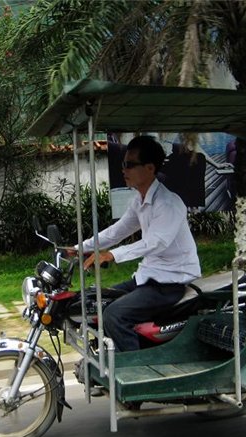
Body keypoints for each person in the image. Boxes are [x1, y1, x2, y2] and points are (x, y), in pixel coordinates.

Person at [73, 135, 201, 352]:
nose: (124, 169)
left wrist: (113, 255)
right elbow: (117, 231)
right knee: (92, 299)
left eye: (130, 165)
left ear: (150, 168)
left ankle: (135, 372)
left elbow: (156, 242)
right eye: (124, 164)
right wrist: (79, 248)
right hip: (147, 278)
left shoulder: (168, 203)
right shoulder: (139, 201)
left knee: (114, 315)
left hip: (168, 283)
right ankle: (105, 355)